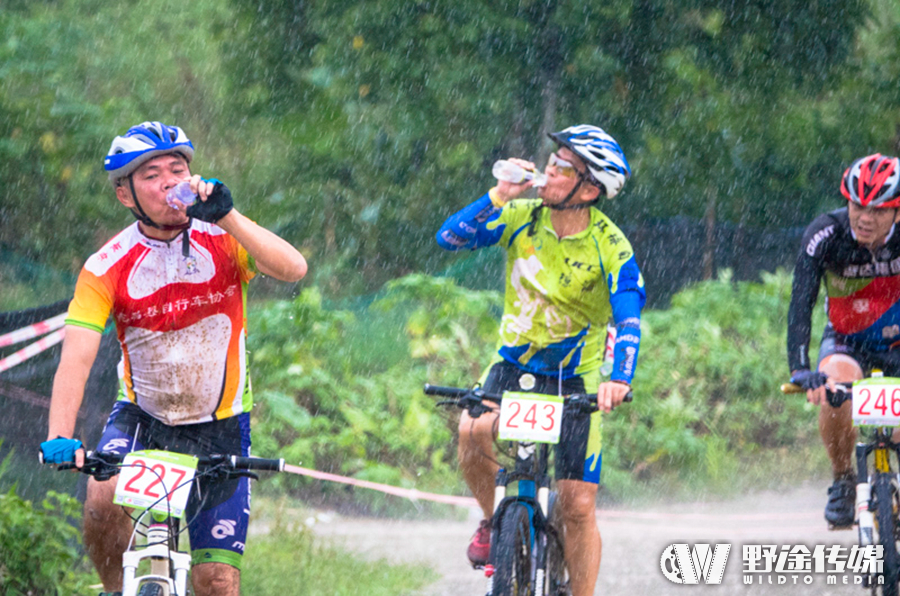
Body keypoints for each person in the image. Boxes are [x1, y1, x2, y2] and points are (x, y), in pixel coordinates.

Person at [39, 121, 307, 596]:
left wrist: (227, 216)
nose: (168, 181)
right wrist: (60, 435)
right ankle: (116, 589)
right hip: (144, 419)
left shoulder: (223, 238)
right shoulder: (106, 266)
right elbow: (76, 360)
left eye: (177, 168)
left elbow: (293, 269)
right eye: (151, 175)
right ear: (126, 195)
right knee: (101, 499)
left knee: (218, 583)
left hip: (220, 424)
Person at [436, 124, 645, 596]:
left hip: (576, 377)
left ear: (589, 189)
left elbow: (629, 317)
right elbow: (449, 238)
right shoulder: (520, 216)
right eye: (550, 162)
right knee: (472, 431)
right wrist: (498, 195)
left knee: (576, 505)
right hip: (513, 363)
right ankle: (494, 522)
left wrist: (619, 378)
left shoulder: (610, 246)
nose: (548, 171)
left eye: (562, 168)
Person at [788, 153, 900, 529]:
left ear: (897, 211)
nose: (865, 218)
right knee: (834, 383)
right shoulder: (825, 234)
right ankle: (843, 479)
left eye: (879, 210)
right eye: (857, 205)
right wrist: (801, 369)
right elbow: (801, 302)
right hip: (847, 339)